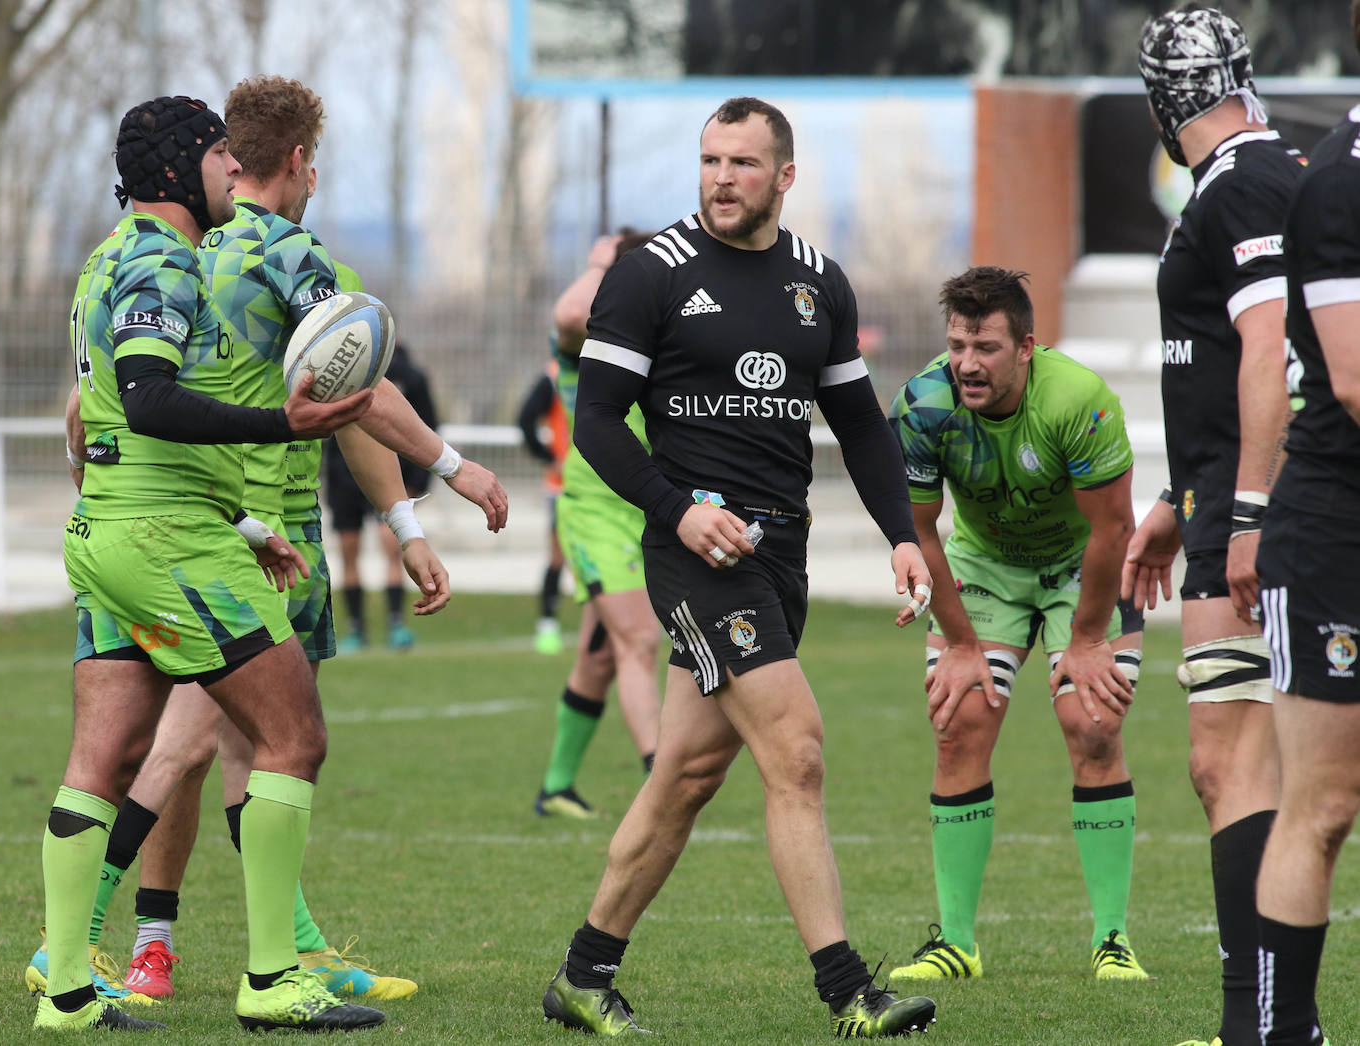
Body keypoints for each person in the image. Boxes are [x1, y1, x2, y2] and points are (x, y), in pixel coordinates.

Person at [539, 96, 937, 1039]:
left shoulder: (818, 283)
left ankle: (583, 976)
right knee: (796, 749)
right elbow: (595, 422)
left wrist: (904, 534)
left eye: (743, 164)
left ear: (784, 177)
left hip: (780, 553)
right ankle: (849, 992)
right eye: (710, 159)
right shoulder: (648, 276)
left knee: (685, 773)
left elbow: (860, 426)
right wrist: (679, 515)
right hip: (696, 556)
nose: (721, 178)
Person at [38, 94, 384, 1033]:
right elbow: (150, 399)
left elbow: (102, 416)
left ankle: (65, 990)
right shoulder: (161, 258)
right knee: (293, 738)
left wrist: (243, 517)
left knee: (98, 762)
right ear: (183, 169)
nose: (234, 171)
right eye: (220, 157)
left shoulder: (103, 258)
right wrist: (286, 422)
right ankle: (274, 979)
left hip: (109, 530)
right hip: (168, 542)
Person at [887, 267, 1147, 985]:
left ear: (1026, 346)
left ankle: (1112, 938)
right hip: (984, 563)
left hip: (1078, 566)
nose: (968, 363)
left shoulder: (1077, 400)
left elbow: (1113, 530)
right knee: (958, 719)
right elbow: (918, 531)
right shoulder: (923, 403)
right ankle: (957, 944)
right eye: (958, 344)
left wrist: (1089, 639)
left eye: (988, 347)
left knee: (1092, 723)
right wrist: (964, 644)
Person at [1125, 10, 1304, 1044]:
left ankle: (1262, 1022)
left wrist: (1246, 511)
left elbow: (1270, 349)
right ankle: (1270, 1018)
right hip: (1218, 505)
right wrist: (1173, 499)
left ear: (1162, 99)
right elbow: (1216, 370)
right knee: (1235, 760)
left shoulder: (1243, 183)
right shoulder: (1245, 178)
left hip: (1256, 516)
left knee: (1242, 760)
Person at [1253, 4, 1360, 1042]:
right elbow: (1357, 378)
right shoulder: (1341, 180)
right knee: (1324, 804)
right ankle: (1282, 1032)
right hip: (1338, 533)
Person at [533, 229, 662, 819]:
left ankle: (556, 787)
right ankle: (662, 778)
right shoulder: (585, 349)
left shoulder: (655, 347)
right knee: (639, 641)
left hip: (644, 515)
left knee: (601, 656)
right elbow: (568, 311)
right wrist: (603, 260)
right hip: (590, 517)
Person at [325, 339, 440, 652]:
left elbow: (428, 428)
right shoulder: (332, 367)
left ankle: (394, 624)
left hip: (391, 476)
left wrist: (416, 484)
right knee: (349, 551)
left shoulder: (411, 377)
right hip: (342, 476)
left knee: (392, 546)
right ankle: (357, 629)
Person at [516, 359, 569, 654]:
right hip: (564, 485)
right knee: (558, 557)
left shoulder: (612, 365)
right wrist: (550, 458)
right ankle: (547, 624)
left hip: (606, 486)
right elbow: (525, 420)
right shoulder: (555, 376)